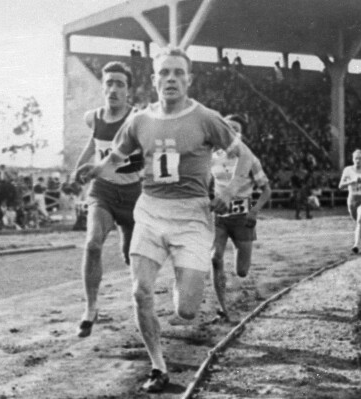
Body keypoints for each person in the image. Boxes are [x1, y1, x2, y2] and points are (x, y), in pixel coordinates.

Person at [78, 47, 254, 393]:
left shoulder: (205, 118)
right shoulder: (140, 120)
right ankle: (158, 366)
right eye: (164, 73)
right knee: (140, 292)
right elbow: (117, 154)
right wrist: (96, 168)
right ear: (154, 79)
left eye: (178, 73)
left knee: (186, 311)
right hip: (151, 210)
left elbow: (244, 155)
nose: (171, 79)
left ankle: (180, 274)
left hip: (191, 216)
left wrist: (231, 189)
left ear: (188, 79)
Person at [73, 61, 142, 339]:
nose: (113, 89)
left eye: (119, 84)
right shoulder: (94, 117)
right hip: (102, 191)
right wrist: (77, 170)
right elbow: (93, 142)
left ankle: (142, 304)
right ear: (103, 87)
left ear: (128, 91)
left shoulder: (138, 118)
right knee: (92, 244)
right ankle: (90, 309)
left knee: (130, 255)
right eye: (109, 83)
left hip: (132, 194)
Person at [210, 114, 272, 322]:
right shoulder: (213, 157)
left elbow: (266, 191)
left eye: (236, 129)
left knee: (242, 271)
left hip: (243, 218)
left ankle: (243, 282)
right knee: (214, 258)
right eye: (228, 128)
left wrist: (254, 211)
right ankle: (222, 308)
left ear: (241, 134)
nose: (232, 132)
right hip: (220, 217)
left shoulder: (251, 159)